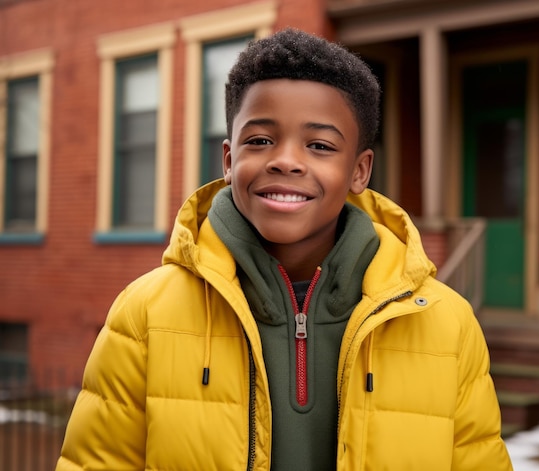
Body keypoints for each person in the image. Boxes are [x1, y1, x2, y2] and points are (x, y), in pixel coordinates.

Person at [56, 28, 512, 470]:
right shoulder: (145, 315)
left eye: (319, 145)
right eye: (260, 140)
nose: (286, 160)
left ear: (359, 170)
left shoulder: (446, 325)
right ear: (230, 160)